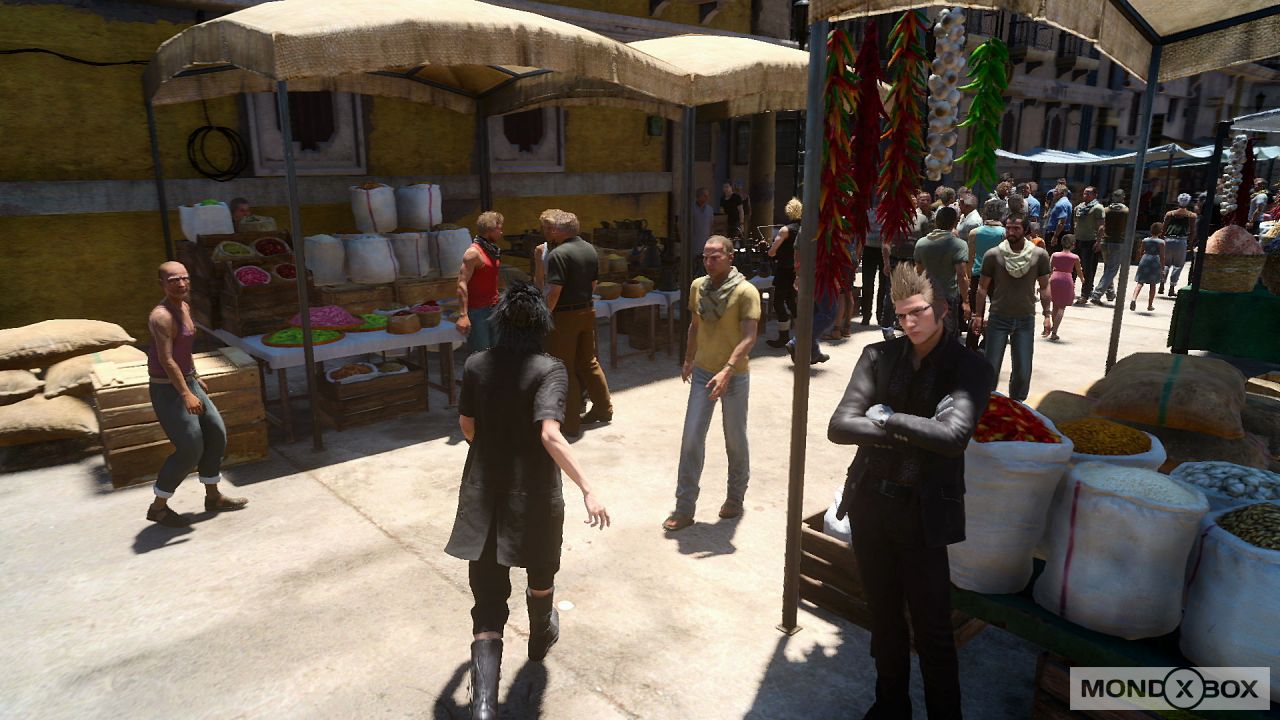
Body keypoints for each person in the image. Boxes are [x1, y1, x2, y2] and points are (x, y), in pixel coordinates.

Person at [828, 263, 995, 720]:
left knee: (933, 631)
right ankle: (890, 707)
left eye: (918, 312)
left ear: (942, 309)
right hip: (869, 505)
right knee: (883, 620)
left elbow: (953, 436)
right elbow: (840, 426)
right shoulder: (878, 356)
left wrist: (885, 418)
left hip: (924, 515)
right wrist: (916, 430)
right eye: (901, 315)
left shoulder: (970, 367)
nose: (909, 323)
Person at [444, 282, 610, 720]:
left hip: (484, 491)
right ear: (541, 324)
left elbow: (466, 426)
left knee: (488, 600)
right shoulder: (550, 369)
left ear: (500, 322)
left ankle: (483, 707)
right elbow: (550, 434)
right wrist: (587, 487)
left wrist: (492, 449)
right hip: (535, 490)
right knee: (541, 568)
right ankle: (540, 637)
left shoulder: (477, 363)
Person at [664, 235, 760, 531]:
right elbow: (695, 326)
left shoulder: (746, 292)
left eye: (715, 257)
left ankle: (735, 497)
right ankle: (684, 507)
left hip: (734, 375)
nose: (709, 262)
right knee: (692, 438)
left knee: (735, 438)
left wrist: (728, 369)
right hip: (704, 373)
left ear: (730, 257)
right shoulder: (698, 287)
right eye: (705, 257)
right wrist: (688, 359)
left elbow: (749, 337)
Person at [145, 261, 247, 528]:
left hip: (188, 381)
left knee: (216, 434)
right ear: (161, 284)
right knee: (190, 447)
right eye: (173, 280)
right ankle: (158, 508)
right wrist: (185, 394)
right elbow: (167, 360)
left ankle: (213, 497)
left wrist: (195, 376)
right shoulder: (161, 317)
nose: (180, 284)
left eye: (184, 278)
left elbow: (185, 350)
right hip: (167, 388)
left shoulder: (185, 307)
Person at [542, 210, 612, 435]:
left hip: (565, 316)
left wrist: (544, 315)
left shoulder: (558, 254)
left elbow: (554, 292)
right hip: (587, 310)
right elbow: (593, 284)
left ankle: (570, 422)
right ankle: (604, 409)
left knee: (564, 368)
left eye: (552, 228)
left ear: (558, 230)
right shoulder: (589, 249)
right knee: (588, 362)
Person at [973, 216, 1052, 402]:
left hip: (1025, 318)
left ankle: (1017, 404)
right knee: (991, 368)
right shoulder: (993, 255)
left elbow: (1044, 286)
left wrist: (1047, 314)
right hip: (998, 317)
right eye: (1008, 228)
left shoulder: (1039, 255)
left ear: (1025, 230)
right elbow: (982, 287)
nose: (1011, 232)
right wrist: (978, 315)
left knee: (1023, 371)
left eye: (1016, 228)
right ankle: (987, 404)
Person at [913, 206, 969, 333]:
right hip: (948, 297)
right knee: (948, 336)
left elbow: (918, 271)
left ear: (936, 222)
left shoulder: (921, 243)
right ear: (955, 223)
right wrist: (966, 301)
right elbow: (962, 276)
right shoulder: (959, 245)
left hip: (927, 296)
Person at [457, 211, 503, 352]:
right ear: (490, 230)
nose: (501, 232)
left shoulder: (492, 250)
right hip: (477, 312)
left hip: (494, 307)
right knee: (482, 355)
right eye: (499, 229)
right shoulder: (473, 253)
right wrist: (463, 315)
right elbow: (461, 283)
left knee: (498, 352)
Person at [965, 198, 1007, 352]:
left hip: (977, 275)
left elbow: (970, 258)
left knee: (976, 314)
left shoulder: (974, 233)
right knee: (997, 313)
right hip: (998, 277)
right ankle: (987, 345)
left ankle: (971, 348)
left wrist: (968, 277)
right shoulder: (1004, 233)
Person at [764, 198, 801, 348]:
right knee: (792, 301)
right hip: (797, 270)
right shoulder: (804, 228)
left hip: (784, 270)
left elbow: (772, 252)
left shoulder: (785, 230)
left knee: (778, 302)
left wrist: (768, 249)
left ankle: (784, 336)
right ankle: (801, 336)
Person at [1089, 189, 1130, 305]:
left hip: (1105, 241)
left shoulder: (1106, 210)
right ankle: (1097, 294)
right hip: (1118, 242)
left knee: (1108, 268)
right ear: (1123, 198)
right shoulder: (1126, 211)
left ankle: (1110, 293)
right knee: (1112, 270)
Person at [1068, 187, 1105, 304]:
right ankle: (1069, 291)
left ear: (1095, 195)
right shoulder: (1079, 207)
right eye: (1084, 193)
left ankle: (1085, 294)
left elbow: (1101, 226)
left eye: (1088, 193)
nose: (1085, 195)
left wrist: (1099, 241)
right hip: (1078, 240)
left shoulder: (1097, 208)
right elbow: (1075, 223)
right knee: (1073, 268)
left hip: (1090, 241)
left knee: (1088, 270)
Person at [1047, 235, 1083, 341]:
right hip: (1066, 279)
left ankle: (1054, 326)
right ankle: (1054, 331)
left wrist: (1047, 281)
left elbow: (1049, 269)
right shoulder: (1075, 257)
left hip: (1054, 278)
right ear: (1073, 245)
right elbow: (1079, 270)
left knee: (1054, 306)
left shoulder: (1055, 255)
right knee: (1061, 307)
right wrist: (1082, 279)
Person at [1160, 193, 1197, 296]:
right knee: (1178, 265)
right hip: (1181, 241)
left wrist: (1161, 240)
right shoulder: (1191, 215)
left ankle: (1161, 285)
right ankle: (1171, 288)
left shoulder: (1170, 214)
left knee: (1165, 264)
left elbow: (1163, 228)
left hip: (1168, 239)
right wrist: (1190, 244)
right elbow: (1193, 232)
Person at [860, 206, 887, 326]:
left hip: (884, 250)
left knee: (883, 285)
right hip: (869, 248)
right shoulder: (868, 211)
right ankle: (866, 315)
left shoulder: (889, 211)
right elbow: (861, 229)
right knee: (867, 283)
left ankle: (880, 314)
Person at [1130, 222, 1166, 312]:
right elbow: (1162, 256)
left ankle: (1134, 298)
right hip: (1155, 261)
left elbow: (1141, 251)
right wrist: (1162, 268)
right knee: (1153, 284)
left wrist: (1141, 259)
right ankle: (1150, 305)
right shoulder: (1161, 242)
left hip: (1145, 259)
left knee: (1140, 282)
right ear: (1160, 231)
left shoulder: (1145, 240)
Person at [691, 187, 715, 263]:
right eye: (704, 196)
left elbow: (711, 224)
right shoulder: (690, 209)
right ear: (699, 196)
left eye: (707, 196)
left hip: (705, 241)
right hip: (693, 242)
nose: (707, 198)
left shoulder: (709, 209)